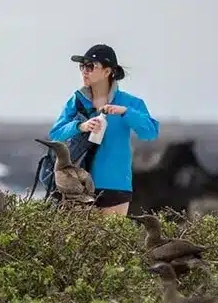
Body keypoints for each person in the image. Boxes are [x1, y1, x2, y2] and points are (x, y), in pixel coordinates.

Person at [45, 44, 159, 215]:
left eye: (90, 66)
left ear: (107, 72)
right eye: (82, 66)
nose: (84, 71)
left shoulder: (130, 103)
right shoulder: (77, 100)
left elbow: (150, 132)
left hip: (115, 184)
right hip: (78, 186)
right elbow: (56, 133)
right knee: (79, 241)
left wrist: (125, 112)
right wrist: (80, 126)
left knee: (110, 240)